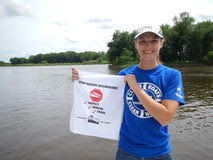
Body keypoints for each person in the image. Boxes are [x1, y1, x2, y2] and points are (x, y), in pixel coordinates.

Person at [72, 25, 185, 160]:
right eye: (142, 41)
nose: (148, 46)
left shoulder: (172, 75)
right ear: (135, 45)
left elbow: (165, 118)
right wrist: (83, 82)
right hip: (126, 151)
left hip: (159, 153)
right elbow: (104, 104)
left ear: (162, 43)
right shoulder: (123, 75)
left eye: (154, 41)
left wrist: (136, 88)